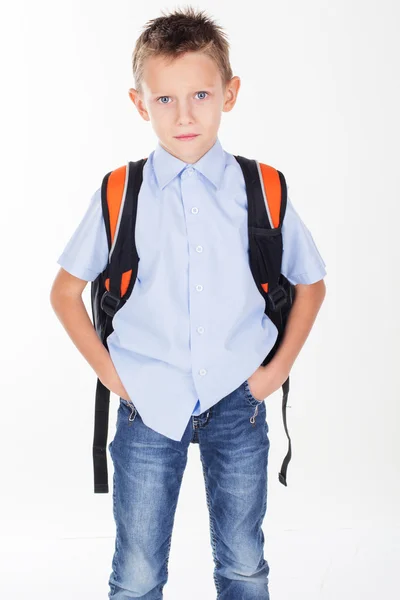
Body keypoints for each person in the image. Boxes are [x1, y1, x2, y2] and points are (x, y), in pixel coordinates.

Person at [50, 6, 327, 599]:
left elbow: (311, 283)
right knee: (138, 572)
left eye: (200, 94)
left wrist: (274, 374)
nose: (184, 115)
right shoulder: (120, 192)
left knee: (245, 564)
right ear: (138, 102)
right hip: (146, 403)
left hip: (239, 400)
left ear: (230, 94)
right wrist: (115, 377)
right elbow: (65, 292)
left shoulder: (264, 189)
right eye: (165, 99)